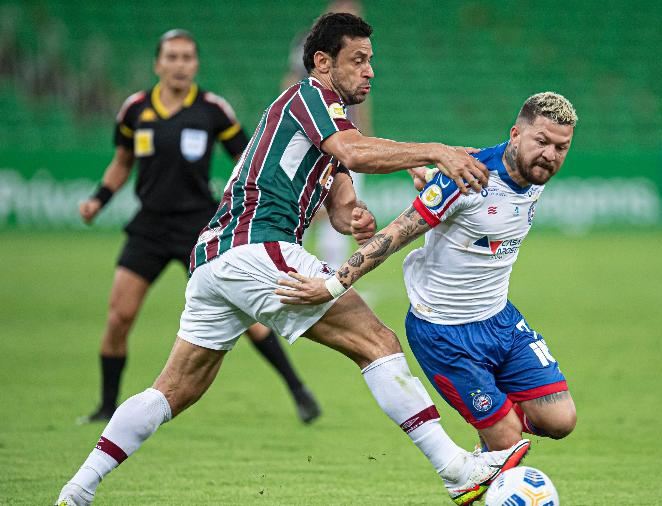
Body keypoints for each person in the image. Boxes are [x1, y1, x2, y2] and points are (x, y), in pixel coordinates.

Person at [56, 13, 528, 506]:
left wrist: (356, 219)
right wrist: (437, 151)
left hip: (215, 260)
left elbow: (344, 207)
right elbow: (356, 151)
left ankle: (78, 489)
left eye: (372, 61)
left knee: (175, 389)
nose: (370, 72)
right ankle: (457, 470)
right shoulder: (309, 97)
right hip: (257, 246)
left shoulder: (327, 127)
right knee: (377, 341)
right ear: (323, 62)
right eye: (359, 60)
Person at [276, 92, 578, 453]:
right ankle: (496, 434)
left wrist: (421, 167)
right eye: (541, 141)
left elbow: (465, 155)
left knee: (561, 420)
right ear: (515, 134)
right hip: (444, 333)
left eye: (561, 148)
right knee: (510, 442)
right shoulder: (469, 179)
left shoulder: (533, 173)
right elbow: (396, 233)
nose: (550, 155)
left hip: (499, 320)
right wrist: (332, 284)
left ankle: (495, 423)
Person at [76, 29, 321, 425]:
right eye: (171, 57)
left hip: (201, 229)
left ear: (196, 65)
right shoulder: (135, 110)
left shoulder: (212, 110)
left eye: (187, 57)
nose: (179, 64)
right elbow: (122, 162)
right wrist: (98, 200)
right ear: (158, 63)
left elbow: (250, 157)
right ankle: (106, 407)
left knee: (249, 320)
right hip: (150, 227)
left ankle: (299, 391)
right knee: (119, 316)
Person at [282, 0, 371, 268]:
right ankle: (289, 266)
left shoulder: (356, 56)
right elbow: (291, 81)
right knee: (299, 209)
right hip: (316, 135)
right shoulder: (308, 44)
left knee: (346, 209)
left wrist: (362, 134)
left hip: (344, 134)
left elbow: (363, 100)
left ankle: (333, 276)